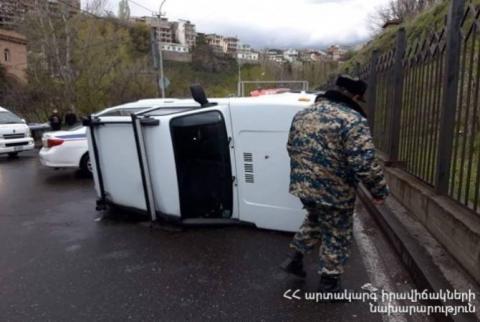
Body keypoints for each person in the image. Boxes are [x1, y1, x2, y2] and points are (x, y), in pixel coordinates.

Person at [280, 75, 389, 293]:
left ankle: (294, 258)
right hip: (334, 189)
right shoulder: (352, 120)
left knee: (316, 219)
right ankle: (329, 285)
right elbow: (364, 163)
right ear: (356, 96)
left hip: (303, 185)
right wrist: (379, 190)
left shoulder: (302, 114)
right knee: (337, 232)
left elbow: (291, 146)